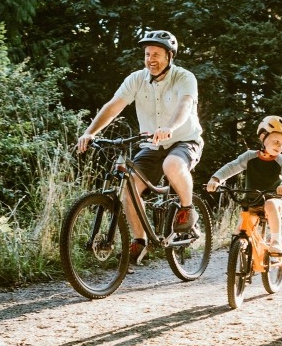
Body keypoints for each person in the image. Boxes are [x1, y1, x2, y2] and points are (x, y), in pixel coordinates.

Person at [77, 30, 203, 264]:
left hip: (184, 139)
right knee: (128, 188)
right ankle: (140, 241)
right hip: (152, 145)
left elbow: (185, 106)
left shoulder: (184, 78)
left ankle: (187, 209)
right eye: (147, 54)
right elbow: (114, 106)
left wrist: (170, 128)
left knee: (173, 164)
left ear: (170, 56)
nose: (150, 59)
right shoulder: (136, 79)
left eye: (156, 54)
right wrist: (90, 132)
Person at [206, 116, 282, 255]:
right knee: (240, 231)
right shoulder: (250, 157)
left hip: (276, 201)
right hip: (252, 202)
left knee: (270, 204)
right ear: (263, 137)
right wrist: (216, 179)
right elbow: (232, 167)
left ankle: (276, 241)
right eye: (276, 142)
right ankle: (238, 268)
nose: (280, 146)